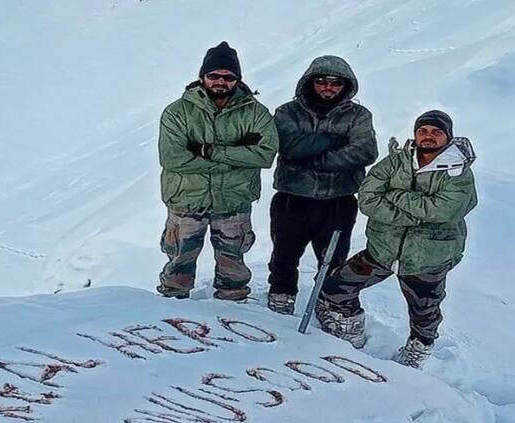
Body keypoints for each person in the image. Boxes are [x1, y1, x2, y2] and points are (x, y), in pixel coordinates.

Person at [315, 110, 477, 368]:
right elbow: (368, 198)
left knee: (425, 311)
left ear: (448, 136)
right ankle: (349, 329)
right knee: (337, 286)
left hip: (428, 257)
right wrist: (413, 216)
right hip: (382, 249)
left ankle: (417, 351)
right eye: (423, 130)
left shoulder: (458, 172)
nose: (428, 136)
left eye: (436, 132)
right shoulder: (396, 161)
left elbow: (445, 210)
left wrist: (395, 195)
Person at [156, 42, 278, 301]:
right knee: (179, 260)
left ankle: (233, 306)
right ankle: (169, 309)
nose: (220, 82)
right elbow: (173, 158)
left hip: (233, 200)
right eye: (214, 76)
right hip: (187, 199)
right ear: (202, 77)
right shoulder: (177, 112)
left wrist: (209, 151)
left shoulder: (256, 113)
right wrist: (237, 158)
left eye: (228, 77)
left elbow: (266, 155)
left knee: (233, 264)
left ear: (237, 80)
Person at [266, 55, 378, 315]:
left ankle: (327, 302)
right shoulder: (287, 112)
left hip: (338, 200)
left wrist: (317, 159)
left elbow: (364, 151)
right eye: (322, 81)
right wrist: (333, 139)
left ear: (346, 85)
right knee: (284, 254)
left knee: (333, 260)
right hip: (292, 197)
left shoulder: (358, 115)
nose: (328, 88)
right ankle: (281, 296)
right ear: (310, 82)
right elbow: (289, 146)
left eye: (336, 83)